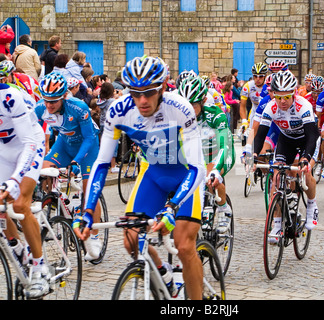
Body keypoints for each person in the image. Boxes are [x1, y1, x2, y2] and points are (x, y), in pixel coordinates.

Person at [74, 56, 206, 300]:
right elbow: (102, 163)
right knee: (131, 239)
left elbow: (198, 167)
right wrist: (87, 210)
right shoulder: (118, 111)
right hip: (153, 175)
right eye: (135, 93)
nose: (142, 100)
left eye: (149, 92)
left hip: (185, 176)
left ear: (163, 88)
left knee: (185, 246)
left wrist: (172, 207)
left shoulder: (179, 108)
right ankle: (165, 278)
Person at [35, 71, 102, 260]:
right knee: (43, 169)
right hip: (64, 144)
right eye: (46, 100)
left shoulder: (78, 107)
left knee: (90, 193)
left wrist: (76, 162)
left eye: (54, 101)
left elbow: (89, 138)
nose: (49, 105)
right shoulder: (40, 108)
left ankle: (94, 236)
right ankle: (51, 206)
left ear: (64, 96)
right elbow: (33, 134)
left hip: (87, 148)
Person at [0, 79, 49, 298]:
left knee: (19, 206)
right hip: (4, 152)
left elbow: (29, 142)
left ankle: (39, 267)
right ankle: (19, 250)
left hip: (28, 147)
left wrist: (15, 179)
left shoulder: (10, 98)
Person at [254, 70, 320, 231]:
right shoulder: (271, 107)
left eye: (286, 97)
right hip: (287, 141)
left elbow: (312, 135)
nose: (282, 101)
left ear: (294, 93)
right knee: (276, 177)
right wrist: (255, 155)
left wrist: (305, 158)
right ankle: (277, 225)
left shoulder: (303, 105)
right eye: (278, 97)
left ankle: (312, 206)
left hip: (307, 140)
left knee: (305, 171)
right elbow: (261, 133)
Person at [178, 75, 235, 232]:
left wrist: (216, 170)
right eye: (185, 104)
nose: (188, 109)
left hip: (220, 152)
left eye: (193, 104)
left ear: (203, 101)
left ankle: (224, 209)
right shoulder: (179, 116)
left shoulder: (215, 115)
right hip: (198, 155)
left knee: (209, 177)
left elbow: (225, 144)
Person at [239, 62, 269, 131]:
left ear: (265, 76)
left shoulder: (269, 86)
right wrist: (244, 121)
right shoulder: (248, 86)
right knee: (250, 135)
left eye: (261, 76)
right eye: (255, 76)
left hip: (267, 112)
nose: (258, 79)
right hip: (255, 112)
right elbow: (242, 105)